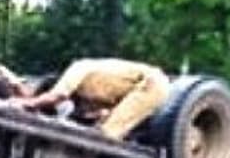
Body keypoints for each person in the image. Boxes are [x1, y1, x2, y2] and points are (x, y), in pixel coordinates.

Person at [19, 57, 171, 140]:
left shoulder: (77, 68)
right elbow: (96, 115)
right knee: (111, 134)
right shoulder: (87, 94)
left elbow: (58, 95)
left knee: (106, 136)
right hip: (142, 89)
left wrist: (28, 103)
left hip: (149, 84)